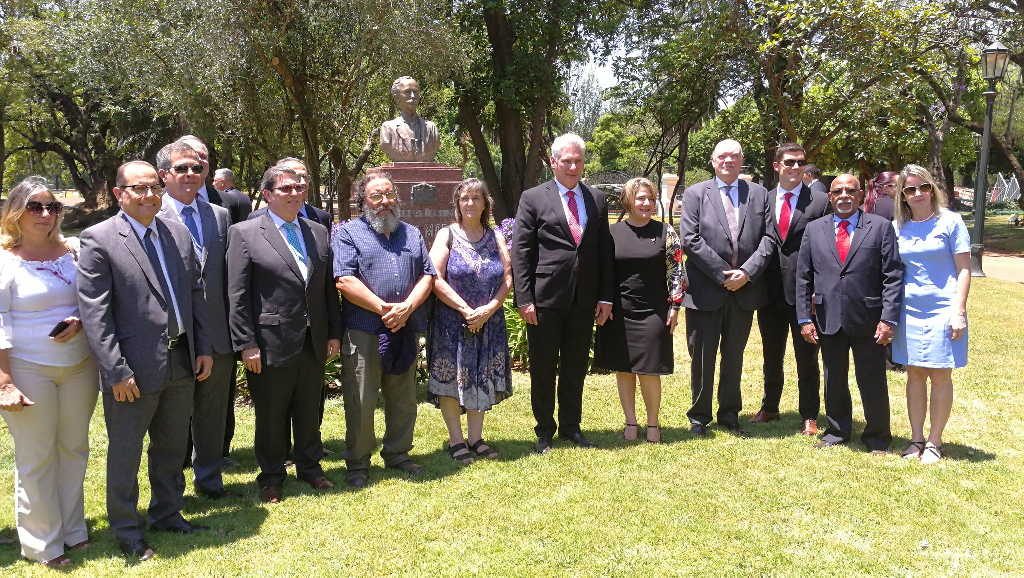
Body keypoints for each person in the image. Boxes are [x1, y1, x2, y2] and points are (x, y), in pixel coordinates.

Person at [77, 161, 214, 561]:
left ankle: (168, 513)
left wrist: (202, 347)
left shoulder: (176, 232)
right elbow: (95, 315)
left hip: (181, 359)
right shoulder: (99, 239)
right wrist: (115, 370)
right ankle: (126, 529)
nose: (149, 195)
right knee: (126, 452)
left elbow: (196, 293)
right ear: (119, 194)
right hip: (131, 368)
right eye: (139, 189)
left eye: (154, 186)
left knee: (172, 447)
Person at [227, 164, 342, 503]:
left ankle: (310, 468)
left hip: (312, 339)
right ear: (267, 194)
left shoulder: (317, 231)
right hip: (269, 342)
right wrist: (246, 343)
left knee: (309, 409)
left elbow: (325, 289)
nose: (294, 193)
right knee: (272, 413)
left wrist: (333, 332)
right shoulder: (245, 233)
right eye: (285, 189)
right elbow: (237, 294)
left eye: (298, 187)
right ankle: (272, 476)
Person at [0, 177, 97, 568]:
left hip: (79, 367)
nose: (45, 214)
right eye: (35, 207)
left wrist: (81, 320)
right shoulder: (5, 261)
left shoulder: (74, 251)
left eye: (52, 207)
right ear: (16, 213)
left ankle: (73, 530)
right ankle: (43, 543)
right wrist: (4, 381)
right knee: (37, 456)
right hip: (27, 368)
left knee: (74, 448)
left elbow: (95, 298)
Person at [511, 133, 614, 454]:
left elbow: (604, 252)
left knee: (574, 367)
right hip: (544, 301)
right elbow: (521, 251)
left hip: (584, 301)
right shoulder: (533, 198)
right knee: (543, 368)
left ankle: (571, 426)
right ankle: (544, 430)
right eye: (566, 161)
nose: (572, 166)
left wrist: (606, 297)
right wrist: (524, 298)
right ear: (553, 162)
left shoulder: (595, 199)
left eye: (578, 161)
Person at [335, 172, 436, 487]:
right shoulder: (348, 233)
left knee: (404, 397)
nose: (384, 202)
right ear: (363, 200)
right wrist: (383, 308)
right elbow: (344, 279)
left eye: (390, 194)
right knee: (362, 399)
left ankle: (398, 453)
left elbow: (428, 275)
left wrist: (406, 308)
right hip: (364, 329)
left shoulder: (411, 233)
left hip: (403, 328)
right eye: (376, 196)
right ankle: (358, 463)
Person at [795, 173, 902, 453]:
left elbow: (892, 276)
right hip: (828, 317)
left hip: (868, 318)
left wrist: (889, 318)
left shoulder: (880, 227)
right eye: (838, 191)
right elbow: (803, 277)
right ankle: (838, 430)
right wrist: (805, 318)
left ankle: (877, 436)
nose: (844, 196)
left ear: (860, 195)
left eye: (850, 191)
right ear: (830, 197)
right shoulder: (814, 229)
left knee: (872, 379)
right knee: (834, 378)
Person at [679, 139, 775, 437]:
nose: (728, 161)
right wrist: (724, 275)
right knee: (703, 357)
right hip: (707, 290)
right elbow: (690, 239)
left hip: (744, 292)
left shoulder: (758, 194)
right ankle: (699, 417)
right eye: (723, 156)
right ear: (713, 160)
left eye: (734, 156)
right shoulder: (696, 194)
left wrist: (746, 273)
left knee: (734, 356)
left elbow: (769, 239)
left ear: (741, 160)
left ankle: (730, 414)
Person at [155, 142, 234, 498]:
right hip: (175, 336)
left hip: (217, 333)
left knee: (212, 414)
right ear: (164, 176)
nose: (191, 175)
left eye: (196, 168)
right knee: (172, 420)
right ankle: (170, 489)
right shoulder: (152, 218)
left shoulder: (219, 216)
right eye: (181, 169)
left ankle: (209, 479)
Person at [593, 177, 686, 443]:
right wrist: (603, 301)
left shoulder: (665, 232)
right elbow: (604, 273)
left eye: (650, 198)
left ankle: (654, 424)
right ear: (629, 201)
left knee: (649, 369)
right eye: (640, 198)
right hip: (619, 312)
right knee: (624, 368)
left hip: (654, 311)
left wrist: (675, 306)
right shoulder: (612, 233)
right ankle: (631, 422)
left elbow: (677, 271)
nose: (646, 203)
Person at [427, 179, 513, 464]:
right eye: (465, 198)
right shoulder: (446, 235)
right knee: (451, 377)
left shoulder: (495, 236)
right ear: (457, 203)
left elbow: (508, 278)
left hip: (488, 320)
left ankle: (476, 438)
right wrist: (466, 310)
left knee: (481, 375)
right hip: (452, 322)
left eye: (477, 198)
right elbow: (435, 277)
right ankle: (456, 440)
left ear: (486, 203)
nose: (470, 203)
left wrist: (489, 309)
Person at [890, 165, 970, 464]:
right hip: (908, 310)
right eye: (910, 189)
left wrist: (958, 310)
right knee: (914, 374)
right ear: (903, 195)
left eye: (923, 187)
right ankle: (916, 439)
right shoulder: (898, 226)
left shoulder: (951, 222)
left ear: (932, 188)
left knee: (940, 374)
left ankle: (935, 442)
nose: (918, 193)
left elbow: (963, 269)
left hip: (944, 308)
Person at [751, 143, 829, 435]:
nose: (796, 168)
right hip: (769, 292)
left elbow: (825, 250)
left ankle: (809, 414)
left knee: (807, 358)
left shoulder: (819, 202)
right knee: (771, 354)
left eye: (801, 163)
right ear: (776, 167)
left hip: (805, 294)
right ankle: (770, 406)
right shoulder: (762, 200)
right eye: (790, 163)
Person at [249, 157, 331, 227]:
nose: (303, 182)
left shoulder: (323, 218)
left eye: (305, 177)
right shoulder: (254, 219)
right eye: (296, 177)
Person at [379, 76, 440, 162]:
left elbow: (435, 146)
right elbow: (385, 145)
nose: (413, 96)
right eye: (407, 92)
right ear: (397, 98)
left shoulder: (431, 128)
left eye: (415, 92)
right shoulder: (388, 128)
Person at [175, 135, 222, 206]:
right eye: (190, 156)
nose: (197, 161)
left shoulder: (229, 200)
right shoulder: (158, 201)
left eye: (202, 156)